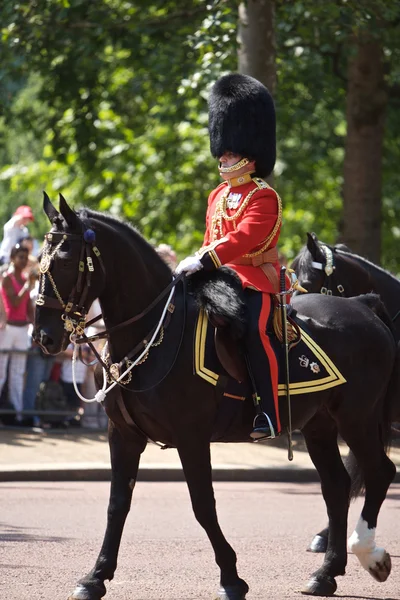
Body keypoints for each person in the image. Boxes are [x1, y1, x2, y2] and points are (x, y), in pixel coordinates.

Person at [176, 73, 283, 440]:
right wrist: (196, 261)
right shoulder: (217, 195)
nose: (224, 155)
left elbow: (243, 238)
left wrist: (206, 260)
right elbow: (211, 238)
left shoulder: (263, 196)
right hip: (219, 277)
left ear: (250, 152)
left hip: (256, 279)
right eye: (222, 149)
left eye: (231, 150)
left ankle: (269, 413)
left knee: (255, 332)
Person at [0, 244, 35, 422]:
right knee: (1, 373)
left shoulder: (24, 279)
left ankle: (18, 415)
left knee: (18, 373)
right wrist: (27, 287)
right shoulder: (7, 278)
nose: (23, 260)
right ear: (13, 258)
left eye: (25, 257)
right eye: (20, 257)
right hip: (8, 329)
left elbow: (28, 308)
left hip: (22, 330)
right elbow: (14, 302)